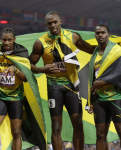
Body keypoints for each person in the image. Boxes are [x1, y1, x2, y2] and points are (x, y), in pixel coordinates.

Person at [29, 11, 95, 150]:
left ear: (60, 21)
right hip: (54, 88)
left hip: (72, 85)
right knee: (56, 126)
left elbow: (91, 50)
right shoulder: (40, 43)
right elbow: (29, 65)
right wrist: (42, 69)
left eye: (55, 22)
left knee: (78, 124)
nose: (53, 25)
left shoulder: (73, 36)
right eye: (50, 23)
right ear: (46, 25)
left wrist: (112, 47)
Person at [87, 24, 121, 150]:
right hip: (99, 100)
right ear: (95, 35)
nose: (100, 35)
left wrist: (105, 82)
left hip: (116, 97)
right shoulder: (95, 54)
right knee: (100, 135)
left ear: (108, 35)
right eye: (97, 33)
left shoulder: (117, 51)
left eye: (103, 32)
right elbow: (93, 79)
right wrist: (91, 100)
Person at [0, 27, 27, 150]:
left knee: (16, 132)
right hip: (0, 96)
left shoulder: (21, 53)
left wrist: (15, 69)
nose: (6, 42)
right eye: (4, 40)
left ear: (14, 40)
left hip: (16, 97)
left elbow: (26, 78)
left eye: (9, 40)